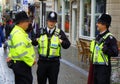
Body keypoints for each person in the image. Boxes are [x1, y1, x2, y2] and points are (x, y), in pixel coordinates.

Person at [33, 11, 71, 84]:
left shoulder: (59, 33)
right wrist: (36, 40)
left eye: (53, 21)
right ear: (47, 21)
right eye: (50, 21)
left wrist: (62, 42)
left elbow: (67, 45)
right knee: (40, 81)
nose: (51, 23)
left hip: (54, 64)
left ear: (56, 22)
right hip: (42, 62)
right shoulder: (41, 31)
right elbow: (33, 42)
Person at [6, 11, 36, 84]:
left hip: (20, 64)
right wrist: (31, 61)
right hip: (22, 65)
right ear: (21, 22)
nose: (28, 23)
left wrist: (10, 57)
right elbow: (22, 52)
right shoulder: (19, 34)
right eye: (27, 21)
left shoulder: (18, 32)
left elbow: (12, 48)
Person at [89, 13, 118, 84]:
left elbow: (115, 53)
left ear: (104, 24)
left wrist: (106, 50)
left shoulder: (110, 38)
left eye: (98, 22)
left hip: (103, 69)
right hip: (95, 67)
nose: (97, 24)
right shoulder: (98, 36)